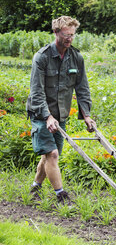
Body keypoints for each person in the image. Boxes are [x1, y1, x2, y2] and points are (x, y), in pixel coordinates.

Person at [26, 16, 95, 204]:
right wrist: (47, 117)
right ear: (56, 32)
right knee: (53, 154)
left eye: (72, 35)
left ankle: (35, 187)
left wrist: (87, 115)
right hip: (41, 113)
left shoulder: (76, 57)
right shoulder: (42, 57)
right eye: (66, 35)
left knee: (50, 155)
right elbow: (36, 90)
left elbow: (82, 88)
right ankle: (61, 195)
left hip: (61, 113)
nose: (69, 39)